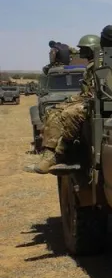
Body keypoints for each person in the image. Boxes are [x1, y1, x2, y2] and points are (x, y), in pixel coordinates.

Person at [26, 34, 100, 174]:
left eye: (83, 48)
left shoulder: (99, 66)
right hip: (86, 99)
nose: (80, 51)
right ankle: (49, 155)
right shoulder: (91, 65)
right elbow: (86, 92)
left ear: (91, 49)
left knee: (68, 113)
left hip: (94, 102)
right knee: (53, 112)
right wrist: (69, 101)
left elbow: (97, 92)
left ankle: (60, 153)